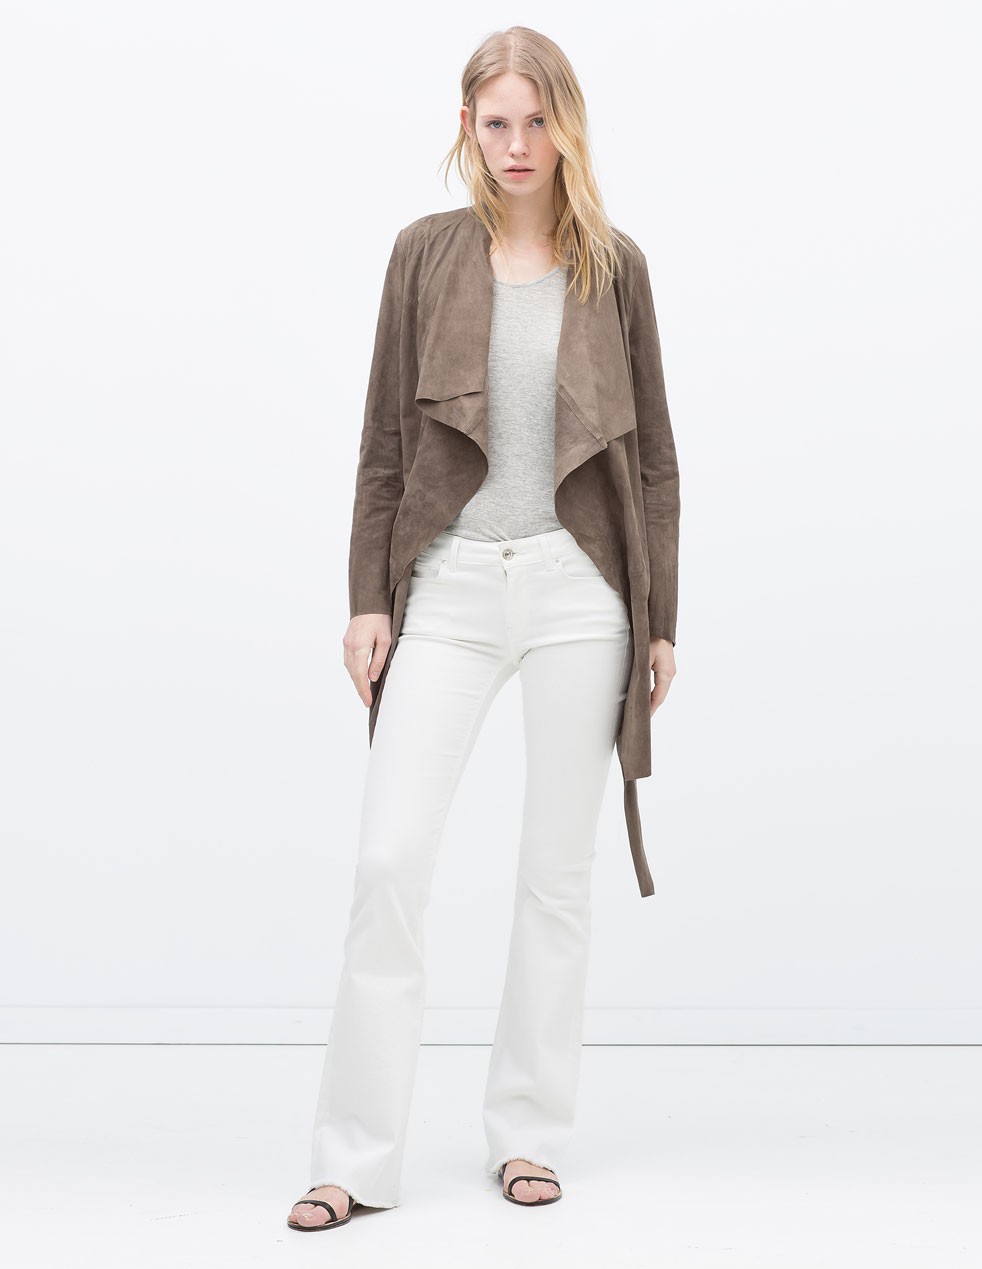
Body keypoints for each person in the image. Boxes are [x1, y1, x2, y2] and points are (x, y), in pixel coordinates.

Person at [288, 25, 679, 1231]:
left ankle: (528, 1136)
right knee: (389, 863)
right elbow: (382, 445)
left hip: (579, 593)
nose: (517, 145)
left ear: (566, 125)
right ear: (467, 127)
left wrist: (659, 619)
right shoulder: (424, 254)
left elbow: (654, 462)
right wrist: (368, 598)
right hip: (447, 590)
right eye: (496, 122)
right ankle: (353, 1158)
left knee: (555, 876)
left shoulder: (614, 267)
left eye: (536, 120)